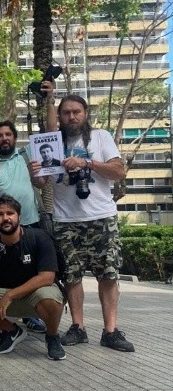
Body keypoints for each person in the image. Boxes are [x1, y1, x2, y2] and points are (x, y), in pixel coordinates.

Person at [38, 84, 135, 352]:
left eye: (76, 112)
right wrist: (36, 171)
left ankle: (111, 330)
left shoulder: (100, 137)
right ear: (59, 116)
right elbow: (42, 183)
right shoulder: (52, 142)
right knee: (71, 275)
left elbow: (119, 171)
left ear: (86, 113)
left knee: (109, 274)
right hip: (65, 219)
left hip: (101, 216)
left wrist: (87, 163)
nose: (71, 117)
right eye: (66, 113)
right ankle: (78, 327)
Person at [0, 195, 66, 360]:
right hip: (7, 298)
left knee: (49, 298)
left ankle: (52, 336)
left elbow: (47, 277)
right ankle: (12, 331)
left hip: (35, 295)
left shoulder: (39, 237)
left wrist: (10, 294)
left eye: (10, 213)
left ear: (19, 216)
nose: (5, 218)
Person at [0, 120, 48, 333]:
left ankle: (32, 316)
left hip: (29, 222)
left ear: (14, 137)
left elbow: (42, 184)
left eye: (8, 134)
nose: (4, 138)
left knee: (30, 272)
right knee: (1, 273)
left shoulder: (26, 156)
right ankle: (2, 318)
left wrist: (37, 172)